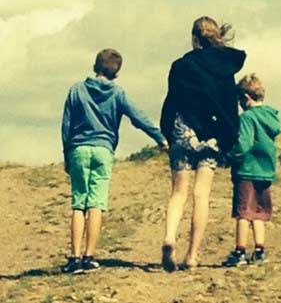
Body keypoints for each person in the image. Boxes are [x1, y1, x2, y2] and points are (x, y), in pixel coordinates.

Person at [61, 48, 168, 274]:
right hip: (103, 150)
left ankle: (74, 258)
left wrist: (67, 156)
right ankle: (89, 257)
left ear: (95, 66)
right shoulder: (118, 94)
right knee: (96, 204)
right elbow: (138, 117)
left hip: (79, 149)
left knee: (79, 204)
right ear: (116, 72)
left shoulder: (76, 90)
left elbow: (66, 126)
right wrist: (160, 138)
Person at [160, 16, 246, 272]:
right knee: (202, 195)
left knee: (178, 192)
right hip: (211, 137)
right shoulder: (225, 68)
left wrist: (167, 132)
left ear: (194, 37)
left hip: (183, 132)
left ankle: (169, 238)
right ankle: (192, 255)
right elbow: (229, 107)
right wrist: (229, 138)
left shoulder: (180, 66)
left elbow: (171, 103)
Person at [222, 73, 281, 267]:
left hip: (246, 171)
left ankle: (239, 251)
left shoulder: (247, 118)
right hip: (265, 172)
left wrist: (229, 156)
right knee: (259, 213)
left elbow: (243, 145)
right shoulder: (271, 116)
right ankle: (259, 251)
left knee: (243, 213)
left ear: (245, 98)